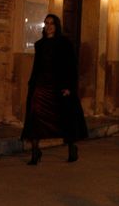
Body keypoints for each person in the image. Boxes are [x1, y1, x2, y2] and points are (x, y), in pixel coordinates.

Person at [20, 14, 88, 164]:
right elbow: (36, 67)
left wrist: (69, 87)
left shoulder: (65, 43)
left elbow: (71, 66)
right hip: (41, 86)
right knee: (35, 116)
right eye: (46, 23)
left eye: (52, 23)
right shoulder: (40, 44)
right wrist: (32, 85)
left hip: (59, 86)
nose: (49, 26)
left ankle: (72, 148)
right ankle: (35, 152)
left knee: (65, 118)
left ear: (56, 26)